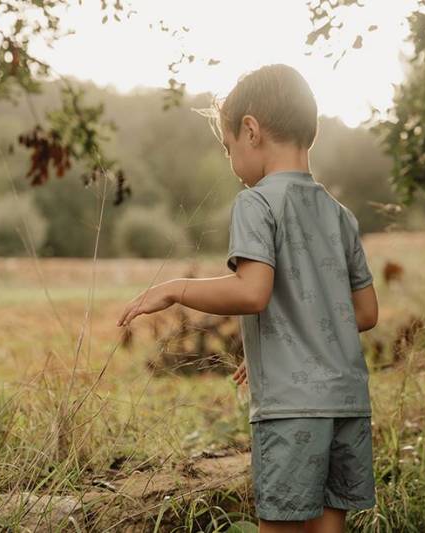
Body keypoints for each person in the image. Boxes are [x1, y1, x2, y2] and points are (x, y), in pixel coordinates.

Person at [116, 63, 379, 533]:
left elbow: (252, 292)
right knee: (328, 525)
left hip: (291, 405)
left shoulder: (256, 202)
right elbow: (364, 312)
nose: (231, 159)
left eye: (228, 146)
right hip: (347, 401)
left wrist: (174, 288)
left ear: (251, 131)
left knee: (278, 526)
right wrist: (287, 342)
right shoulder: (341, 215)